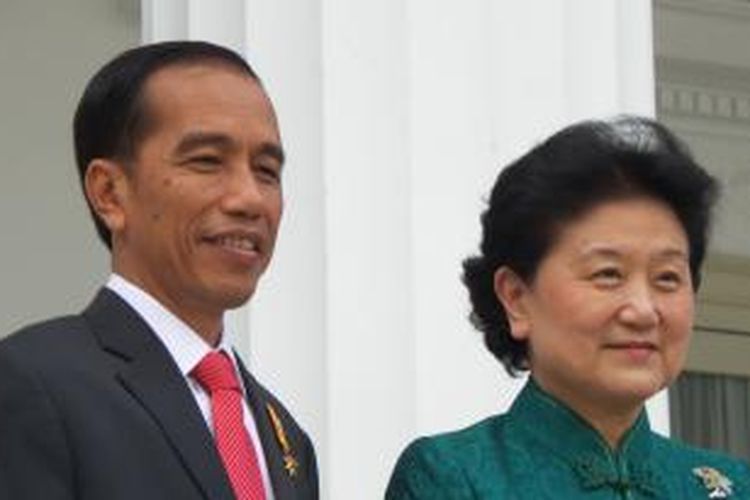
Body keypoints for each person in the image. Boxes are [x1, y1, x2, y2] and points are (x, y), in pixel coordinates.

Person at [0, 41, 318, 500]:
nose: (249, 198)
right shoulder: (31, 382)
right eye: (207, 161)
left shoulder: (284, 433)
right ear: (109, 192)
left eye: (267, 170)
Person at [386, 117, 750, 499]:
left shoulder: (730, 486)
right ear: (516, 298)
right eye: (608, 274)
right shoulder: (453, 476)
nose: (643, 310)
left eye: (667, 278)